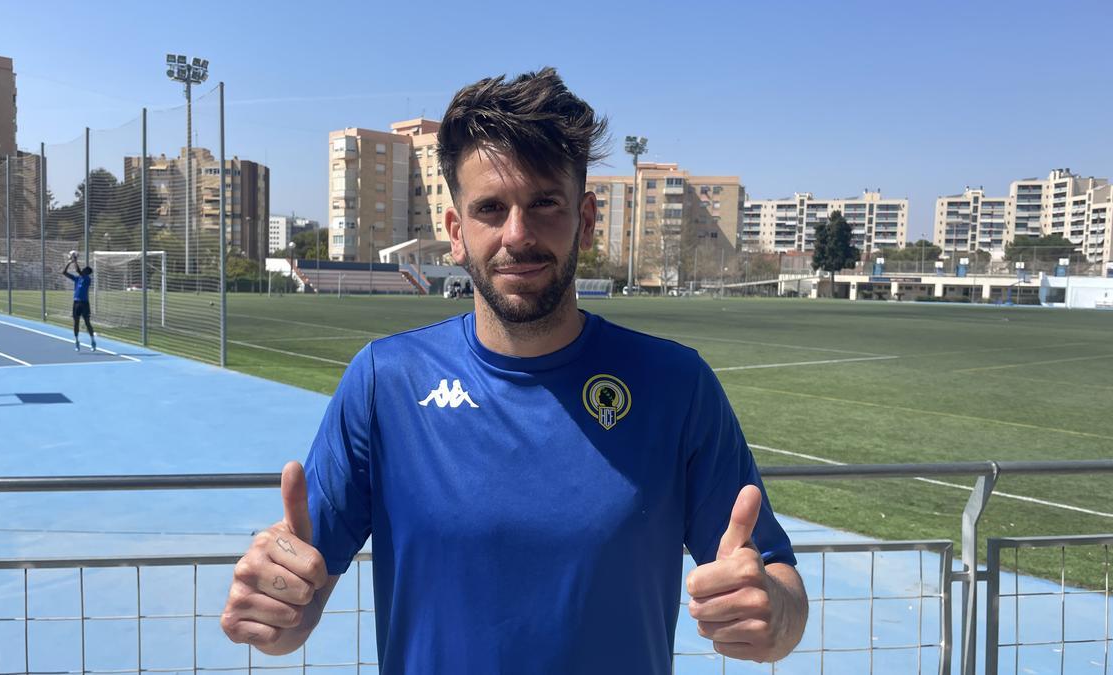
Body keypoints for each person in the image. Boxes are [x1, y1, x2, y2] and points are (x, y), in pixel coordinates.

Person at [221, 68, 808, 672]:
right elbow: (294, 611)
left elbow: (779, 591)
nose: (517, 235)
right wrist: (274, 609)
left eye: (544, 203)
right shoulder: (385, 383)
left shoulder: (676, 385)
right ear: (456, 232)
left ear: (585, 218)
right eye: (491, 208)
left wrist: (773, 614)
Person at [61, 256, 96, 352]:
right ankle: (76, 341)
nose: (83, 270)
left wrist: (75, 261)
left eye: (85, 270)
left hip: (84, 303)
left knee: (87, 323)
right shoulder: (77, 279)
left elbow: (78, 270)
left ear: (87, 273)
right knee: (76, 323)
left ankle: (93, 341)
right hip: (76, 303)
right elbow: (64, 272)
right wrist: (69, 262)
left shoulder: (87, 279)